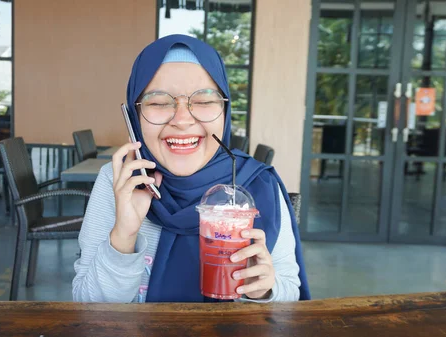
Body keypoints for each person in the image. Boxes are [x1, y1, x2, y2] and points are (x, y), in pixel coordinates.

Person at [72, 34, 309, 303]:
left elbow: (290, 293)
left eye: (205, 101)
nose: (182, 120)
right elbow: (88, 307)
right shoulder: (120, 182)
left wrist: (264, 289)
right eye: (159, 103)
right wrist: (124, 235)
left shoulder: (258, 184)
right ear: (134, 116)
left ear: (224, 110)